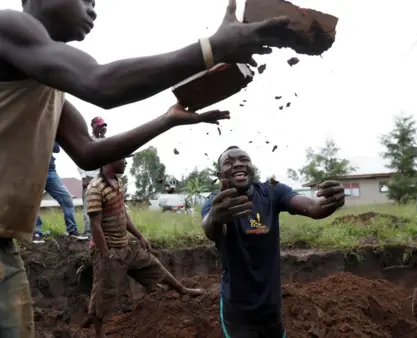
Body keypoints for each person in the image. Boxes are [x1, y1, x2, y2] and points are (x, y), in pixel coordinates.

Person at [0, 0, 289, 336]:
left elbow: (89, 152)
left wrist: (168, 120)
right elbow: (100, 82)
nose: (93, 7)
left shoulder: (47, 86)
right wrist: (213, 48)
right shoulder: (9, 25)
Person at [201, 146, 345, 337]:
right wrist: (216, 218)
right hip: (238, 312)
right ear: (220, 175)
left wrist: (331, 201)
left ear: (252, 167)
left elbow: (313, 207)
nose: (237, 164)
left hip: (272, 309)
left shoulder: (272, 190)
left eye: (243, 159)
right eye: (228, 162)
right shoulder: (214, 203)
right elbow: (211, 229)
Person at [85, 157, 204, 338]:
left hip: (125, 246)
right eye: (123, 158)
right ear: (110, 159)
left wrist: (139, 236)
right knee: (104, 292)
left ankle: (182, 290)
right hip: (108, 250)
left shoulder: (118, 182)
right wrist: (106, 255)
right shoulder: (95, 188)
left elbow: (122, 213)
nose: (126, 162)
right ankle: (99, 332)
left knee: (153, 265)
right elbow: (95, 226)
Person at [33, 142, 88, 244]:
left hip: (50, 170)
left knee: (67, 198)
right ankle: (36, 232)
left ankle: (72, 230)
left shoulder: (48, 130)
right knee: (33, 202)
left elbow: (56, 148)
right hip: (33, 170)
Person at [78, 117, 108, 237]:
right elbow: (79, 159)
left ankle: (103, 231)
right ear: (93, 126)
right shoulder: (87, 140)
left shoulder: (105, 141)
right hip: (89, 177)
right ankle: (87, 232)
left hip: (101, 177)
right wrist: (83, 177)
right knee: (88, 205)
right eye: (99, 126)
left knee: (104, 205)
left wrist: (103, 138)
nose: (102, 128)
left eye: (103, 126)